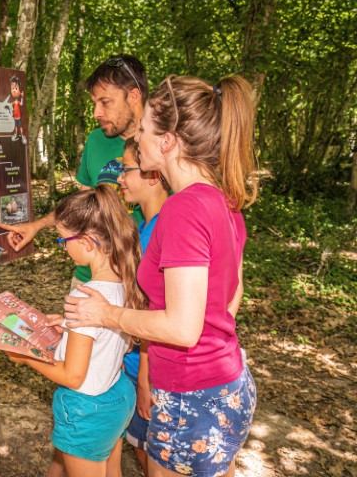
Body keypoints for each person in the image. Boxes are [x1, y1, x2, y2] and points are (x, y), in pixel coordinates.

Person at [62, 74, 259, 477]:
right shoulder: (224, 199)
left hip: (193, 394)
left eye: (146, 130)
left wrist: (107, 316)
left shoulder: (183, 211)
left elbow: (183, 328)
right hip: (225, 381)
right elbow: (232, 295)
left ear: (167, 142)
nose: (138, 137)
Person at [7, 184, 145, 477]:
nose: (63, 246)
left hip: (87, 409)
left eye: (63, 239)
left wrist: (26, 357)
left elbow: (73, 375)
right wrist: (68, 328)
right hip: (117, 395)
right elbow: (107, 340)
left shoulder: (86, 296)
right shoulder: (125, 280)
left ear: (86, 243)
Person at [0, 54, 148, 288]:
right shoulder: (96, 140)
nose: (96, 113)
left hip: (142, 277)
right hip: (90, 277)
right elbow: (82, 207)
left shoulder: (166, 144)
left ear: (134, 96)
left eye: (105, 102)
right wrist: (35, 226)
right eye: (94, 104)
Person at [117, 138, 169, 476]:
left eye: (126, 169)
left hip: (153, 371)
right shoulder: (140, 224)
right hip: (136, 362)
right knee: (139, 447)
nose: (119, 176)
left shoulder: (165, 230)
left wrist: (145, 381)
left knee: (156, 457)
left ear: (152, 175)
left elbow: (157, 312)